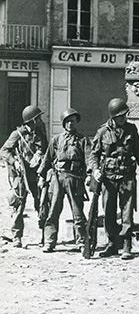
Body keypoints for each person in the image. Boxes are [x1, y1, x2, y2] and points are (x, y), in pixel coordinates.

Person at [89, 98, 139, 260]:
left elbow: (138, 150)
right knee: (109, 211)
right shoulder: (102, 132)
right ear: (113, 117)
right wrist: (95, 170)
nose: (124, 118)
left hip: (127, 175)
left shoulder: (131, 129)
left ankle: (126, 245)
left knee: (127, 211)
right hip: (108, 177)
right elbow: (94, 154)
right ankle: (111, 243)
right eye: (120, 116)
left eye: (125, 115)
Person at [37, 108, 88, 253]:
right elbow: (47, 159)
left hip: (75, 178)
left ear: (76, 122)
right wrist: (42, 176)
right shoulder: (56, 140)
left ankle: (81, 242)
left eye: (73, 121)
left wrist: (90, 175)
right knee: (53, 211)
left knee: (78, 213)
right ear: (64, 123)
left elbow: (89, 158)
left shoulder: (82, 140)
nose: (70, 124)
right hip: (57, 178)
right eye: (68, 121)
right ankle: (50, 241)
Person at [0, 105, 48, 247]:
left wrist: (41, 158)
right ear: (31, 121)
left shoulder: (40, 133)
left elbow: (45, 150)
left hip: (36, 175)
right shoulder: (17, 134)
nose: (40, 120)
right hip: (21, 176)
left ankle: (45, 236)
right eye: (37, 118)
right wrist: (14, 162)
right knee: (18, 205)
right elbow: (4, 151)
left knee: (42, 203)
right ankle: (17, 237)